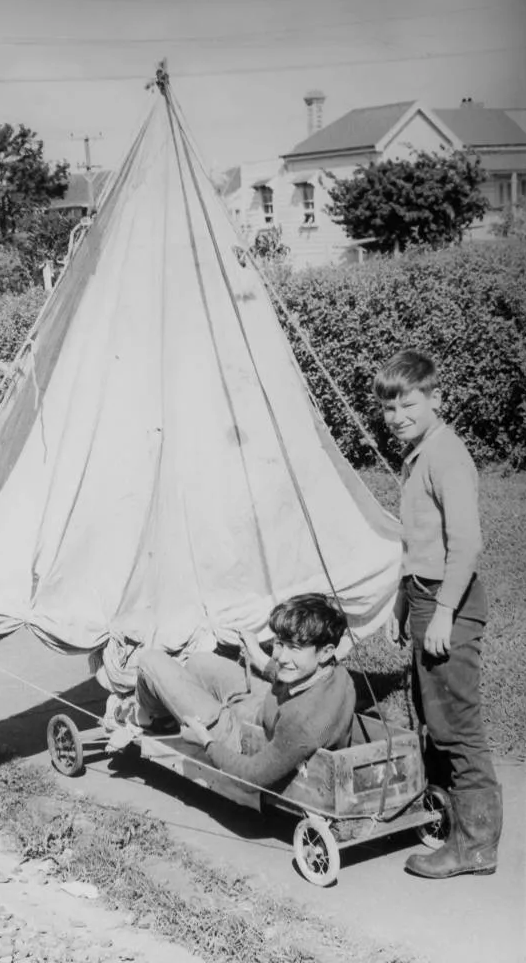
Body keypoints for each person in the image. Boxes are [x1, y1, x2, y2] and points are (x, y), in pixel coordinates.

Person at [374, 349, 502, 879]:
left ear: (436, 400)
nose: (398, 417)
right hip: (427, 596)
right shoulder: (419, 455)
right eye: (388, 408)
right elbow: (420, 543)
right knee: (433, 719)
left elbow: (466, 544)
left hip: (452, 600)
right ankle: (450, 828)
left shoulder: (447, 455)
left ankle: (475, 848)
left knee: (457, 727)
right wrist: (405, 603)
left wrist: (444, 612)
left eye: (409, 405)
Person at [115, 593, 356, 790]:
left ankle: (151, 718)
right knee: (200, 662)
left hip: (241, 738)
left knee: (150, 661)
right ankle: (168, 705)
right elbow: (293, 675)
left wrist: (206, 741)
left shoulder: (302, 724)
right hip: (266, 706)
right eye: (280, 643)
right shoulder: (336, 674)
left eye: (294, 648)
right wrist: (257, 655)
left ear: (325, 651)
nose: (280, 656)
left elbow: (252, 778)